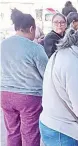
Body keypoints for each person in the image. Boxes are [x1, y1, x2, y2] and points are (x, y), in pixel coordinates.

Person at [1, 9, 48, 146]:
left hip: (5, 95)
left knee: (12, 131)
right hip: (29, 97)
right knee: (30, 133)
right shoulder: (35, 48)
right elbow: (46, 73)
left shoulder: (3, 44)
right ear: (32, 28)